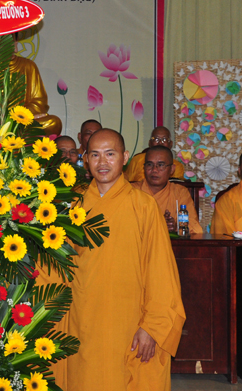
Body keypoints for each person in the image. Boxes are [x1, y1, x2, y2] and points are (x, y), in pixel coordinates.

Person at [68, 129, 185, 390]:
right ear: (85, 159)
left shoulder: (144, 206)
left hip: (127, 319)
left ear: (125, 157)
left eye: (110, 154)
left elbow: (160, 270)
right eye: (95, 155)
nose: (102, 162)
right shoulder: (73, 205)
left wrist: (152, 327)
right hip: (81, 318)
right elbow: (57, 266)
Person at [132, 146, 203, 234]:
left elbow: (195, 228)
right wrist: (156, 224)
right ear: (144, 167)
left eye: (161, 165)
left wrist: (176, 227)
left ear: (172, 169)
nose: (154, 170)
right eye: (149, 164)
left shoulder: (180, 192)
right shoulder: (131, 191)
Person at [9, 54, 62, 136]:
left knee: (54, 123)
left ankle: (16, 130)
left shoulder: (28, 65)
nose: (15, 49)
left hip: (25, 121)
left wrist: (23, 115)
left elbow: (39, 101)